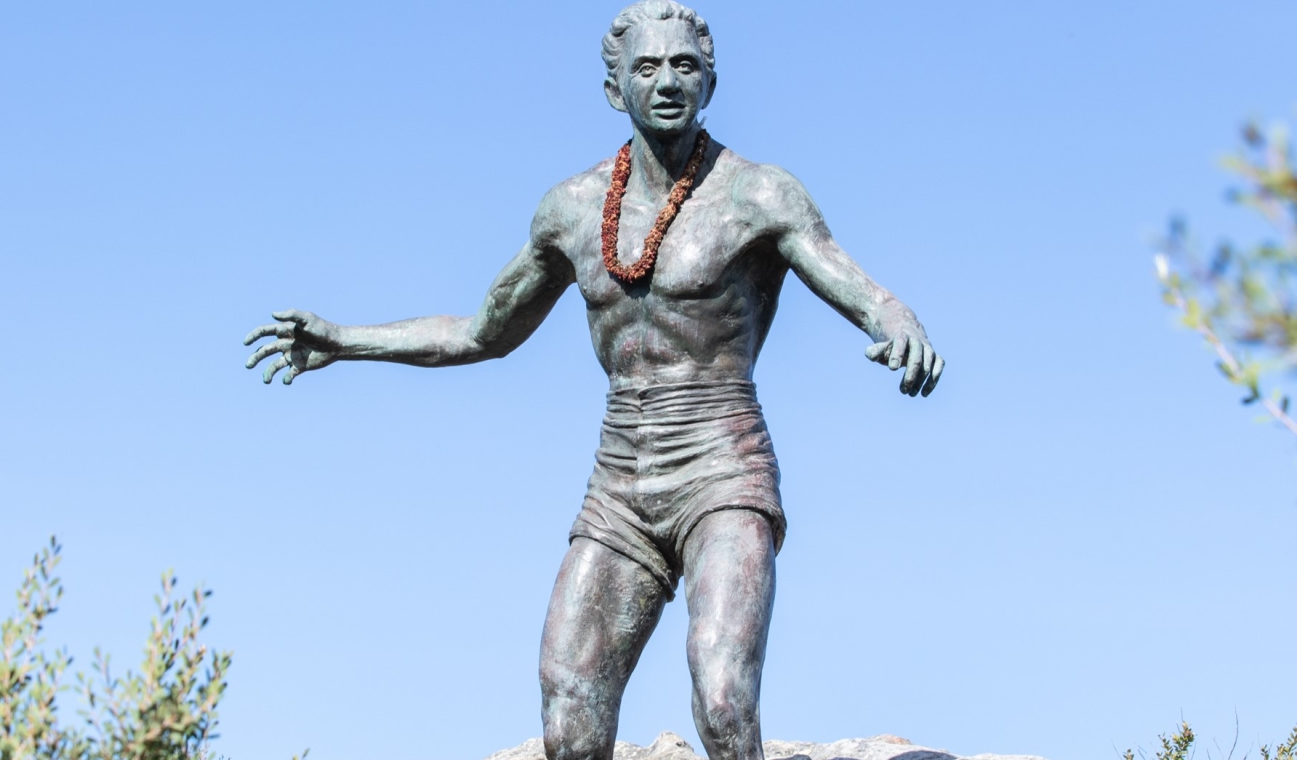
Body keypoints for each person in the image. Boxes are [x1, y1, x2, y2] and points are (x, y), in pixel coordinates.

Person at [244, 2, 943, 758]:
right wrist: (346, 341)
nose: (668, 81)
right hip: (618, 486)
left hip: (721, 467)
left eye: (685, 65)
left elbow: (852, 282)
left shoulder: (759, 196)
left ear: (711, 81)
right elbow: (482, 331)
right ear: (616, 90)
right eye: (647, 67)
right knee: (569, 699)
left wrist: (895, 319)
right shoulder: (572, 213)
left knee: (722, 690)